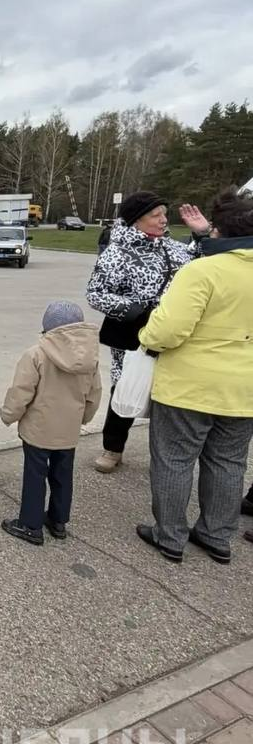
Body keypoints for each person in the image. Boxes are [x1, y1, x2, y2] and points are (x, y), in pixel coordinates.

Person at [136, 189, 253, 565]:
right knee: (229, 463)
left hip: (189, 388)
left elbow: (166, 332)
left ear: (219, 230)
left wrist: (147, 332)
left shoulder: (202, 271)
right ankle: (217, 535)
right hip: (244, 390)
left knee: (174, 459)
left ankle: (169, 534)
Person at [86, 191, 207, 473]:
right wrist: (139, 310)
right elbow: (95, 294)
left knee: (169, 395)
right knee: (126, 390)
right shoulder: (116, 254)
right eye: (156, 215)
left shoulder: (172, 248)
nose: (164, 219)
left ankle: (167, 454)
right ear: (135, 220)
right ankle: (113, 448)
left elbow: (200, 264)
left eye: (165, 213)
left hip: (174, 336)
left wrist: (201, 236)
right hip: (133, 337)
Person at [0, 301, 102, 545]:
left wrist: (8, 414)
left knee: (35, 475)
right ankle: (58, 520)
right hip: (68, 430)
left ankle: (30, 524)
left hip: (39, 428)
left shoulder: (36, 354)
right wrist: (82, 418)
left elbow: (21, 391)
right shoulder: (90, 358)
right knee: (62, 475)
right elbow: (94, 394)